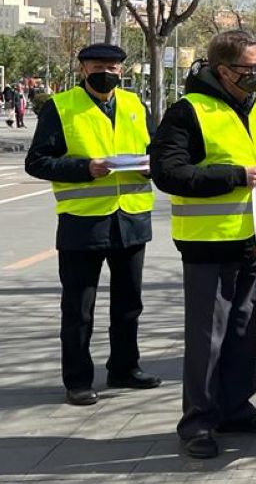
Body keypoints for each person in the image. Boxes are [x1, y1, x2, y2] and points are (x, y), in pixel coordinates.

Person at [151, 30, 256, 459]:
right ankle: (198, 422)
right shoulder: (187, 112)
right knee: (208, 337)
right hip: (207, 244)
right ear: (224, 71)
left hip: (254, 240)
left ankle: (235, 407)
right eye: (250, 69)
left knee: (246, 333)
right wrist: (231, 176)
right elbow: (168, 172)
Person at [25, 43, 161, 407]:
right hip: (83, 223)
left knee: (129, 303)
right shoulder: (61, 106)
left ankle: (124, 367)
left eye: (114, 67)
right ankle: (78, 380)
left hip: (131, 217)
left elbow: (157, 151)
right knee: (79, 308)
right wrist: (85, 168)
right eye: (100, 66)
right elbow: (37, 162)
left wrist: (152, 165)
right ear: (83, 68)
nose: (108, 73)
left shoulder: (135, 105)